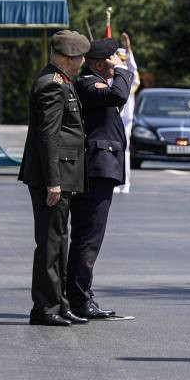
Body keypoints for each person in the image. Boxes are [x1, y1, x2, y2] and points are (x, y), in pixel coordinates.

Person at [19, 30, 91, 327]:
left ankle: (59, 303)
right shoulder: (52, 85)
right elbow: (48, 136)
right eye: (79, 58)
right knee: (50, 243)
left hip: (63, 174)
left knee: (59, 241)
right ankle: (44, 307)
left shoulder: (61, 81)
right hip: (54, 176)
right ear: (66, 58)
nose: (82, 62)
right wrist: (52, 180)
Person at [67, 36, 132, 320]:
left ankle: (82, 294)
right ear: (97, 63)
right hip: (96, 167)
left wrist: (117, 70)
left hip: (102, 166)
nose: (115, 62)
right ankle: (80, 299)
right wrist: (123, 70)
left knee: (89, 236)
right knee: (88, 237)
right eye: (111, 58)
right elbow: (118, 96)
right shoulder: (88, 82)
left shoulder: (98, 82)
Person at [115, 33, 141, 194]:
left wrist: (128, 48)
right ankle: (114, 182)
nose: (123, 61)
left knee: (124, 149)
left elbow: (133, 67)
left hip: (126, 117)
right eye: (120, 58)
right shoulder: (112, 73)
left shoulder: (130, 74)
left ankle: (125, 183)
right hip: (113, 115)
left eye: (124, 58)